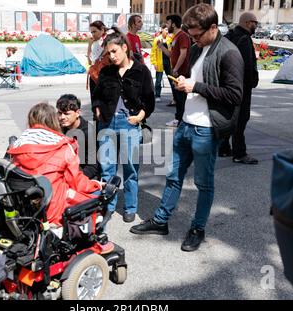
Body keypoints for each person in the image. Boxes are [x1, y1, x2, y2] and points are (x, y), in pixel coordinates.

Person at [130, 3, 244, 252]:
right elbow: (196, 80)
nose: (193, 40)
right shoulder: (196, 49)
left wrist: (196, 87)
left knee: (204, 183)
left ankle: (197, 229)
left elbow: (235, 95)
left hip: (206, 129)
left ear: (213, 28)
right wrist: (184, 82)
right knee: (173, 176)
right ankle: (161, 221)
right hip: (186, 125)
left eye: (197, 35)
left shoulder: (229, 52)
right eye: (191, 35)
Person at [93, 27, 155, 223]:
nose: (111, 57)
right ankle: (109, 206)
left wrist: (140, 117)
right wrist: (97, 109)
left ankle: (130, 207)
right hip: (107, 123)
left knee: (131, 169)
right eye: (108, 53)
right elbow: (96, 96)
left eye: (114, 51)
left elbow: (149, 99)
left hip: (130, 123)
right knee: (107, 168)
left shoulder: (141, 70)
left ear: (124, 48)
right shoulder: (105, 71)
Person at [8, 103, 103, 226]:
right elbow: (77, 182)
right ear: (54, 120)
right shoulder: (62, 146)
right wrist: (97, 185)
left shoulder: (16, 146)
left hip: (25, 210)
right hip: (54, 210)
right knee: (99, 197)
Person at [218, 12, 259, 164]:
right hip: (241, 87)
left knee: (229, 117)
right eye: (255, 22)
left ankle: (223, 148)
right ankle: (239, 153)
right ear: (248, 23)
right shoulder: (245, 39)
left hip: (227, 85)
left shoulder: (228, 37)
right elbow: (247, 66)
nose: (256, 26)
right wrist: (251, 82)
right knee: (241, 119)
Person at [57, 94, 100, 180]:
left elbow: (93, 167)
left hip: (84, 176)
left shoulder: (88, 133)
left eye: (66, 114)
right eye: (60, 113)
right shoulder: (58, 129)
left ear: (77, 113)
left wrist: (74, 179)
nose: (62, 117)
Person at [158, 15, 191, 127]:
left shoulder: (182, 36)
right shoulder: (175, 37)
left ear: (173, 24)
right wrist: (162, 47)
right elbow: (172, 55)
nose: (166, 26)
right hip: (177, 72)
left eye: (167, 23)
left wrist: (176, 69)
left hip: (181, 73)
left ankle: (180, 120)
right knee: (178, 97)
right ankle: (179, 119)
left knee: (181, 98)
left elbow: (183, 54)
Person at [151, 25, 175, 103]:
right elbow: (153, 52)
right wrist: (154, 63)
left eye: (168, 30)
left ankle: (175, 96)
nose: (167, 31)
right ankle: (157, 95)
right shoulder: (157, 39)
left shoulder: (170, 39)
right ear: (162, 30)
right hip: (160, 62)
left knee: (171, 80)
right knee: (158, 80)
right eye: (166, 29)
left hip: (168, 63)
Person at [87, 20, 107, 104]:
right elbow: (89, 61)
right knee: (95, 103)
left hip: (104, 75)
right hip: (94, 74)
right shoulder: (94, 42)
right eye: (91, 32)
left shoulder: (107, 41)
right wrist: (89, 45)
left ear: (102, 30)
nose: (93, 34)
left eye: (95, 31)